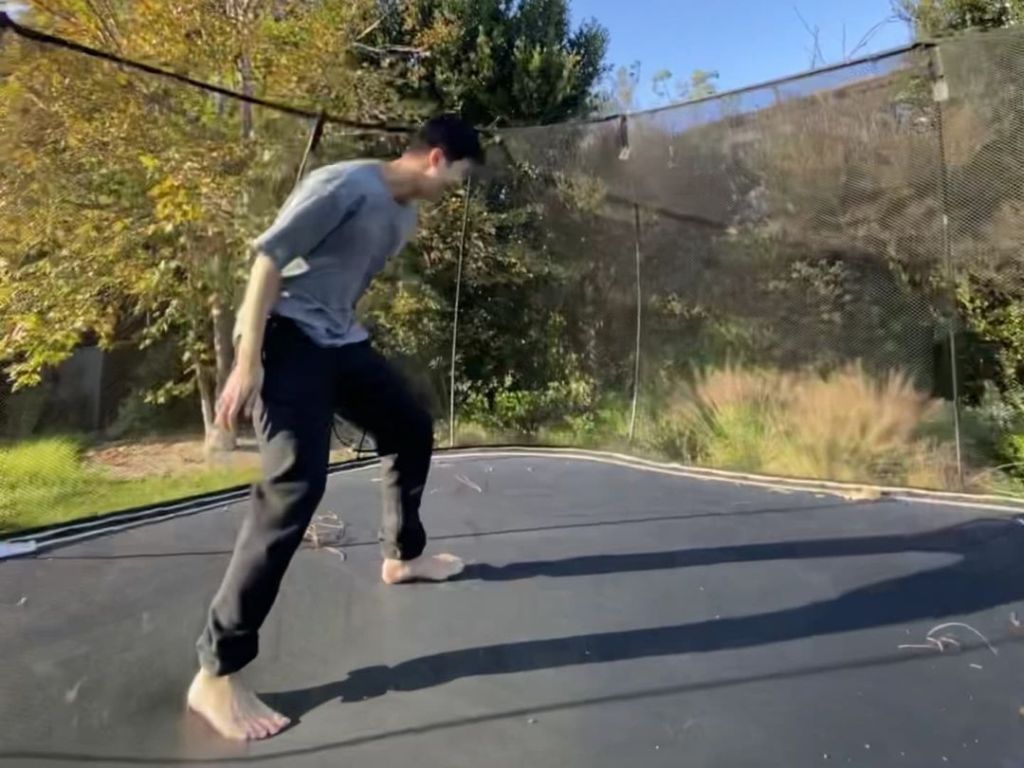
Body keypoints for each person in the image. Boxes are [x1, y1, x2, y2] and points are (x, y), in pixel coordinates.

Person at [186, 114, 485, 741]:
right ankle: (216, 672)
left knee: (410, 427)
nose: (452, 191)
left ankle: (402, 556)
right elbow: (268, 260)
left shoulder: (404, 217)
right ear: (436, 159)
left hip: (338, 341)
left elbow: (340, 282)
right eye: (456, 178)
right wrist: (247, 361)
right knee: (296, 485)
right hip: (286, 336)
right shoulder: (344, 185)